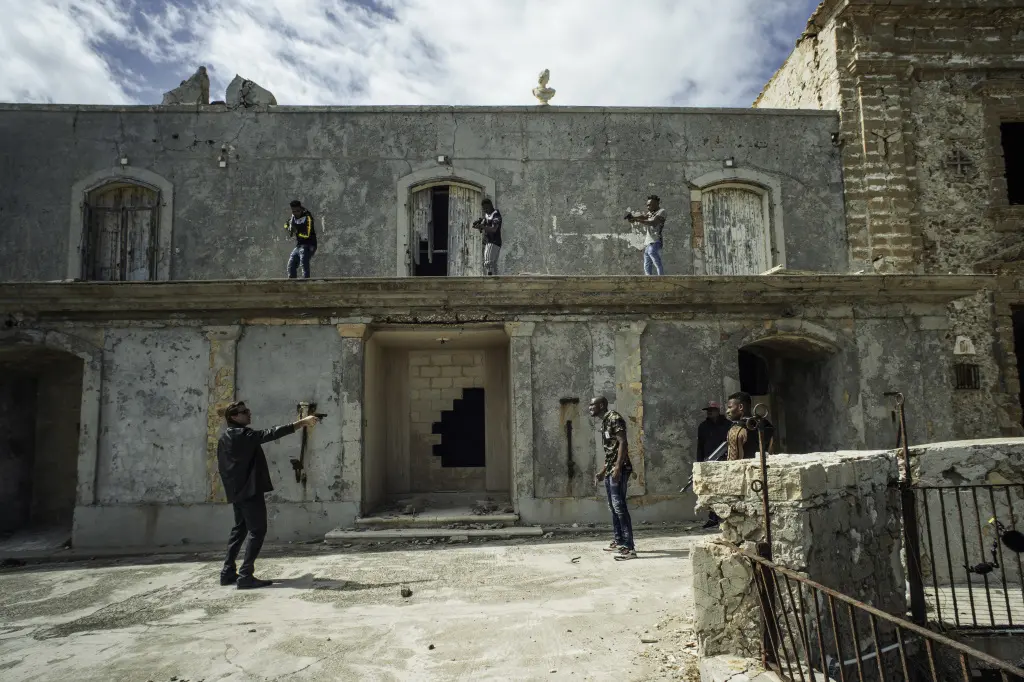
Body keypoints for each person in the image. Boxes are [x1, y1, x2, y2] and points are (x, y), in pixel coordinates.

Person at [217, 400, 320, 589]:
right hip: (249, 491)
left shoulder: (225, 437)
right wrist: (301, 423)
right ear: (234, 417)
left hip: (237, 491)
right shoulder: (243, 435)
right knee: (257, 530)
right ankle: (246, 575)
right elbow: (270, 433)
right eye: (244, 412)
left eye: (248, 410)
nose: (249, 413)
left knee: (240, 530)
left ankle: (227, 572)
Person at [588, 396, 637, 561]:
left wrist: (617, 468)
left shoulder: (614, 418)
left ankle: (629, 548)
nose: (590, 408)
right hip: (611, 469)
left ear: (601, 405)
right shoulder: (605, 421)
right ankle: (619, 540)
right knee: (613, 507)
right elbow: (611, 450)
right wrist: (603, 471)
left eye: (593, 405)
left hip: (619, 469)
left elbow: (623, 443)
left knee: (619, 506)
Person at [696, 401, 731, 528]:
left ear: (718, 411)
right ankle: (713, 518)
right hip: (709, 462)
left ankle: (727, 517)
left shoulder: (728, 425)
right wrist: (699, 463)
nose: (710, 412)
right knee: (711, 491)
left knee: (726, 489)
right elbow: (700, 446)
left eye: (712, 410)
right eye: (708, 410)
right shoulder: (703, 426)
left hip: (725, 461)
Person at [724, 391, 775, 461]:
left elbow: (733, 462)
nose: (727, 411)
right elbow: (772, 454)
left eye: (730, 407)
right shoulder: (766, 425)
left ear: (741, 407)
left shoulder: (736, 430)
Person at [626, 195, 667, 276]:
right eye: (647, 205)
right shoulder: (650, 213)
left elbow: (653, 222)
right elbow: (644, 217)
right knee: (647, 261)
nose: (648, 207)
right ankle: (648, 278)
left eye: (650, 205)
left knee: (653, 255)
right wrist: (632, 217)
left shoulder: (662, 212)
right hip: (649, 241)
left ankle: (661, 277)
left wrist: (637, 219)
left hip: (656, 239)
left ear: (656, 204)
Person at [284, 200, 317, 279]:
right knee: (291, 265)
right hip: (299, 245)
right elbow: (285, 224)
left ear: (301, 209)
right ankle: (292, 282)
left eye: (298, 211)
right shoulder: (293, 217)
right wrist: (288, 228)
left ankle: (306, 282)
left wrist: (296, 232)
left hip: (309, 245)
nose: (296, 213)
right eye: (294, 211)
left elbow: (307, 234)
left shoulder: (308, 218)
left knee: (304, 262)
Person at [471, 198, 502, 276]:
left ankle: (492, 278)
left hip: (495, 241)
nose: (486, 210)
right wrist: (479, 224)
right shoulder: (487, 215)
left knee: (489, 262)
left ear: (491, 206)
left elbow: (494, 229)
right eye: (484, 209)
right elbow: (485, 222)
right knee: (488, 262)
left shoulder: (496, 215)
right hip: (489, 241)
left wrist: (483, 227)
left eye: (487, 208)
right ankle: (491, 277)